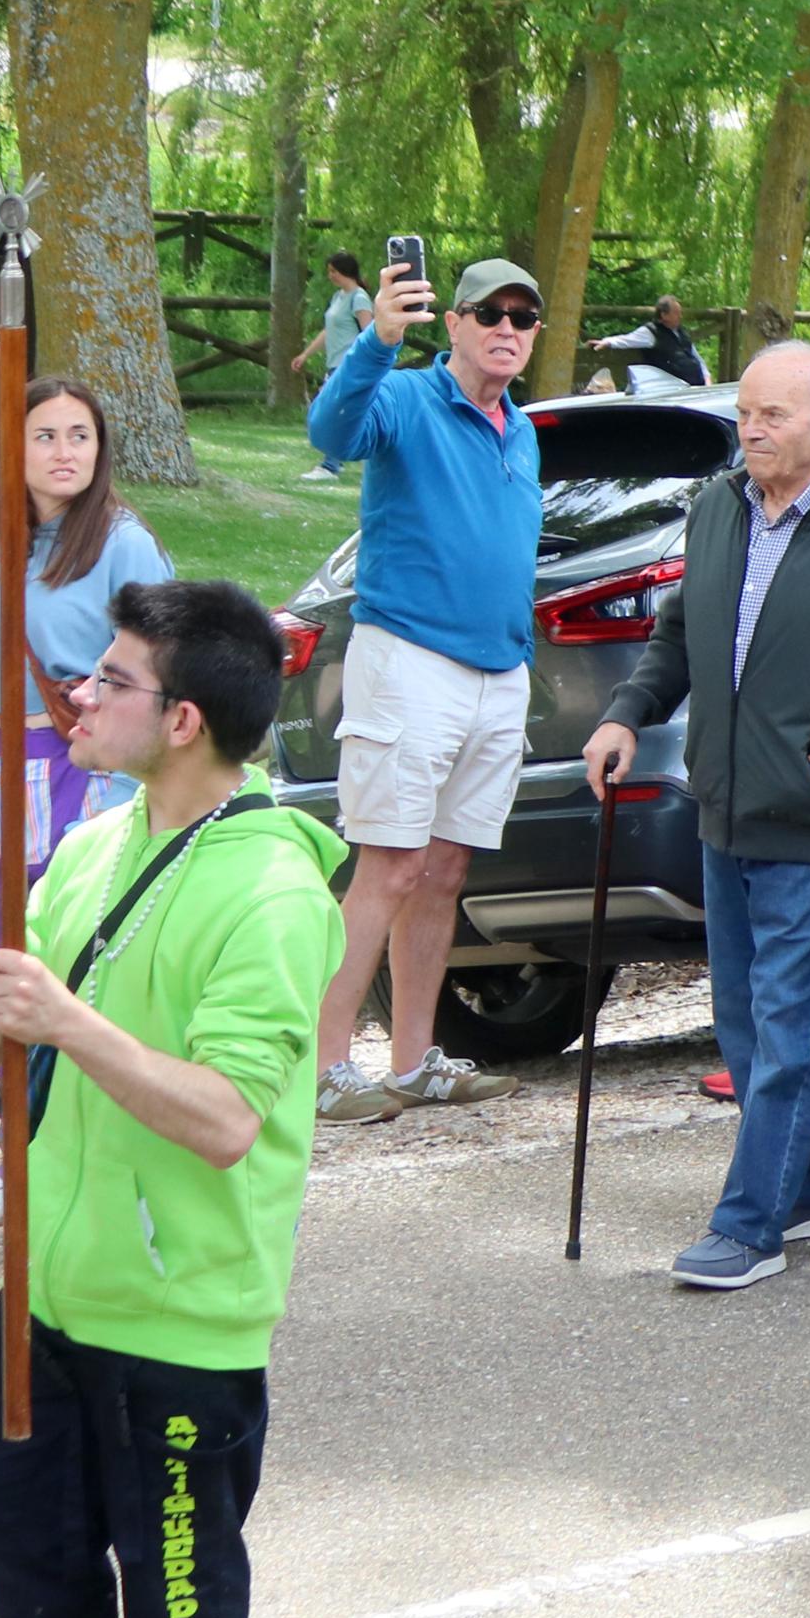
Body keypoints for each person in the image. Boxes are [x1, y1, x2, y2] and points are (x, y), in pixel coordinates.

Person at [0, 582, 348, 1618]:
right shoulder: (95, 837)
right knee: (25, 1536)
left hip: (177, 1310)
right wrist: (2, 1012)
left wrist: (64, 1019)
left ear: (182, 717)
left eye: (112, 680)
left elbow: (227, 1115)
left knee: (176, 1567)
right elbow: (17, 1015)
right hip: (48, 1285)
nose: (82, 693)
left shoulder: (266, 891)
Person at [583, 345, 810, 1291]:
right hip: (725, 813)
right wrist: (627, 714)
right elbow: (677, 635)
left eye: (774, 415)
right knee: (746, 1024)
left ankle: (751, 1226)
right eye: (747, 413)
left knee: (789, 1028)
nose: (752, 429)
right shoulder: (717, 508)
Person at [302, 252, 545, 1124]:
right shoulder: (405, 395)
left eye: (523, 317)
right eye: (490, 313)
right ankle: (324, 1066)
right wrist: (376, 338)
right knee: (390, 863)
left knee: (444, 871)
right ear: (456, 324)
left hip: (496, 674)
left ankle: (412, 1061)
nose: (507, 329)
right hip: (408, 662)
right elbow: (330, 434)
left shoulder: (520, 428)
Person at [0, 380, 176, 937]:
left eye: (79, 436)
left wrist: (118, 805)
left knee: (68, 961)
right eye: (46, 436)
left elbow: (160, 684)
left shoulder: (126, 544)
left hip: (83, 778)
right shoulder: (0, 545)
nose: (65, 452)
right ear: (15, 447)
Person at [293, 250, 369, 475]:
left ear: (345, 271)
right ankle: (339, 459)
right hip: (334, 363)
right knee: (339, 412)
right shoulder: (338, 297)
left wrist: (361, 363)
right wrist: (305, 354)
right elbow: (329, 331)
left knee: (332, 411)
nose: (330, 276)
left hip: (349, 364)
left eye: (333, 271)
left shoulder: (360, 298)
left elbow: (368, 333)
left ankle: (330, 465)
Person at [586, 292, 708, 396]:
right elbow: (628, 339)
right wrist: (607, 342)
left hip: (697, 389)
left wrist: (707, 380)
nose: (680, 316)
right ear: (664, 315)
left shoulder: (682, 332)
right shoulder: (651, 333)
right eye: (676, 313)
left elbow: (696, 358)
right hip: (673, 392)